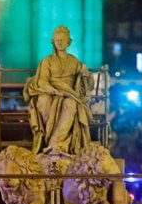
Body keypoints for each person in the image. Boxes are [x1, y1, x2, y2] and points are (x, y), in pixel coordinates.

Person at [23, 25, 93, 156]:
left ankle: (56, 143)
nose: (60, 42)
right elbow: (42, 81)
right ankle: (48, 138)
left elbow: (85, 84)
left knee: (71, 105)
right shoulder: (47, 61)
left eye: (62, 39)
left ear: (68, 42)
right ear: (53, 42)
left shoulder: (74, 61)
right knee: (43, 102)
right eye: (57, 40)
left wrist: (85, 75)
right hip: (51, 92)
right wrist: (53, 91)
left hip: (69, 94)